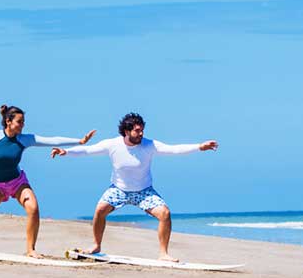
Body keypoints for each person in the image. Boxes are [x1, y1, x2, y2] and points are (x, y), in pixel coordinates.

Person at [51, 112, 217, 262]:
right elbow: (88, 150)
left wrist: (199, 147)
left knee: (165, 214)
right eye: (137, 130)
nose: (141, 134)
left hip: (144, 191)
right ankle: (96, 245)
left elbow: (174, 149)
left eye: (142, 130)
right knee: (100, 210)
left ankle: (163, 254)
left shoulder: (149, 145)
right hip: (118, 189)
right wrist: (66, 152)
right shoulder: (112, 144)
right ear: (126, 131)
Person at [0, 105, 95, 257]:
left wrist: (80, 141)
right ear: (8, 121)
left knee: (33, 208)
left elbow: (51, 140)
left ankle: (31, 249)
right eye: (20, 122)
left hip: (17, 183)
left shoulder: (24, 139)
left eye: (23, 122)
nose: (22, 125)